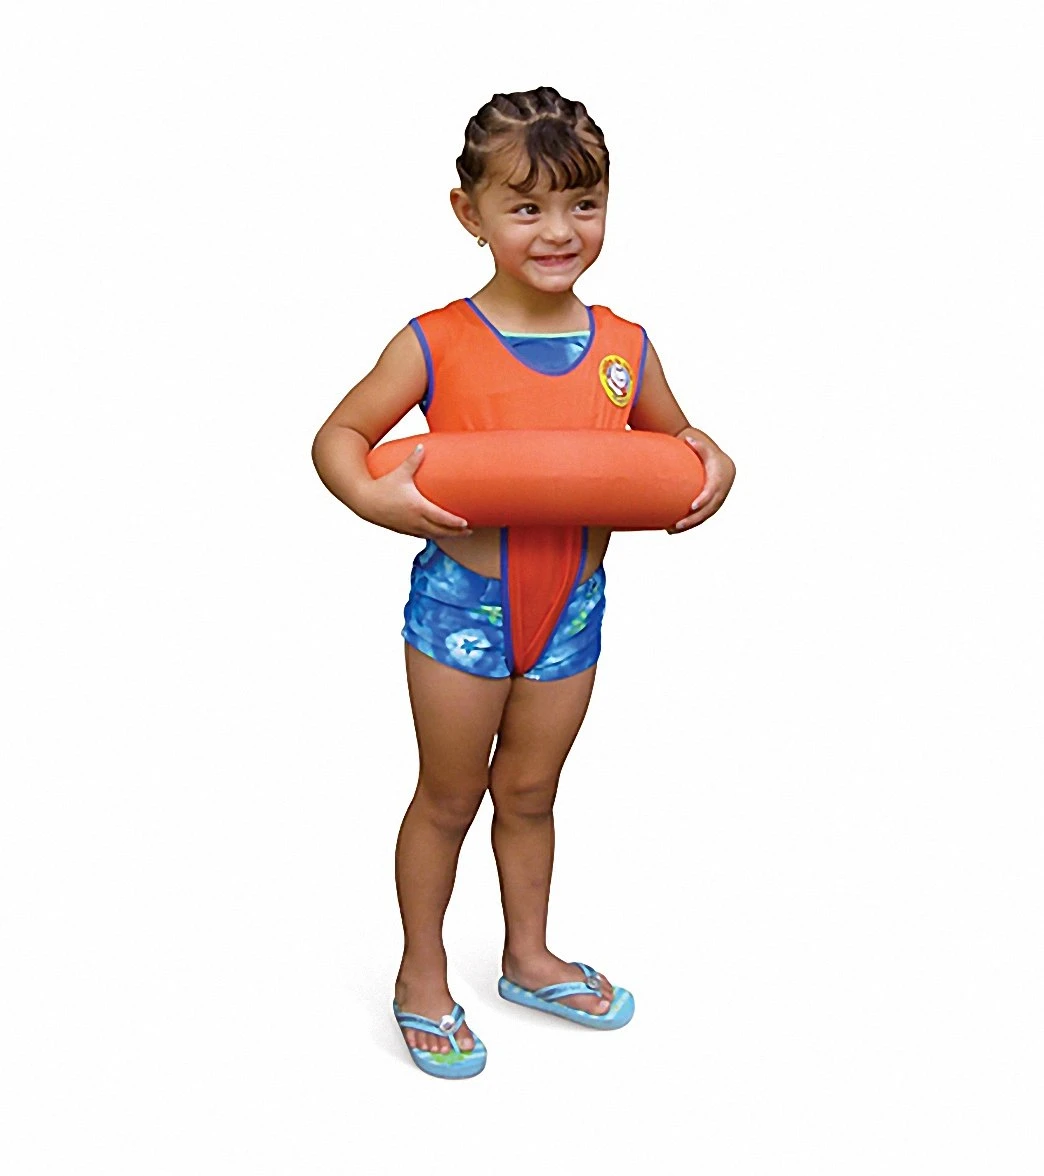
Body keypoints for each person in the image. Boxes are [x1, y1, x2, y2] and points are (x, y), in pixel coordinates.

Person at [311, 87, 736, 1079]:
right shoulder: (436, 340)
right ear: (470, 213)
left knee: (533, 792)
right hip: (465, 609)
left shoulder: (624, 346)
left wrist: (713, 460)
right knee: (450, 796)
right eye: (527, 206)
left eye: (584, 204)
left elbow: (677, 436)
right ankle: (421, 974)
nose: (559, 231)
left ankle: (528, 957)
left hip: (572, 610)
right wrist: (373, 499)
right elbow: (340, 435)